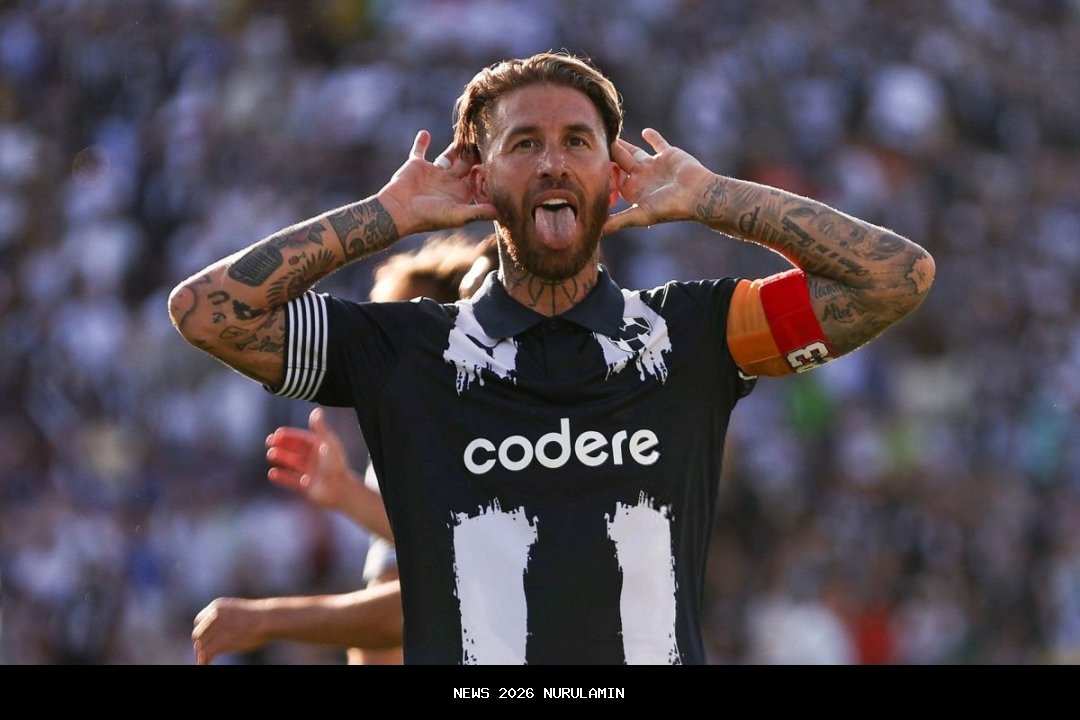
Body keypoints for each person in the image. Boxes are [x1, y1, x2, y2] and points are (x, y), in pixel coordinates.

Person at [169, 51, 935, 664]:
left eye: (577, 141)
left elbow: (895, 278)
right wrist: (387, 214)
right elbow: (206, 311)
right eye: (524, 143)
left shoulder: (693, 333)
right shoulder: (406, 350)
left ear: (614, 174)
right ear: (480, 178)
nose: (553, 164)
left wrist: (714, 199)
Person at [191, 233, 492, 665]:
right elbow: (426, 560)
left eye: (408, 327)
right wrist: (347, 493)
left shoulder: (498, 437)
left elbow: (422, 607)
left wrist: (266, 620)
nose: (389, 346)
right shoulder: (404, 446)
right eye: (385, 329)